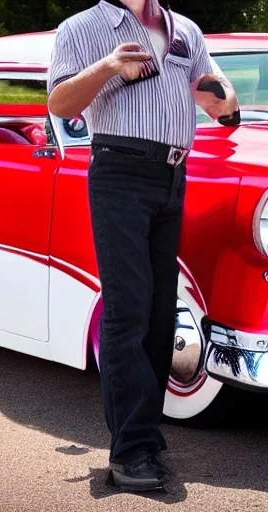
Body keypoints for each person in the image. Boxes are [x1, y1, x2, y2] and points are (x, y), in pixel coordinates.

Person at [47, 0, 239, 493]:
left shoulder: (185, 29)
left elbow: (208, 88)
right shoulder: (83, 28)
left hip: (174, 176)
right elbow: (60, 103)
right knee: (128, 311)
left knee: (158, 312)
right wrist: (109, 65)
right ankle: (129, 451)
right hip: (119, 172)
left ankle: (146, 437)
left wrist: (225, 102)